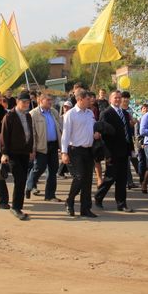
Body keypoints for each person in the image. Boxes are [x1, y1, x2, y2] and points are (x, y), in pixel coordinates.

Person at [61, 87, 98, 218]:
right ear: (80, 99)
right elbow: (65, 135)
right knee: (79, 177)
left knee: (88, 180)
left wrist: (96, 133)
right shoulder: (70, 114)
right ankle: (69, 201)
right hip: (75, 150)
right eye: (88, 99)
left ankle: (85, 208)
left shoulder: (90, 113)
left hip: (88, 150)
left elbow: (91, 128)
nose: (91, 101)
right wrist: (64, 153)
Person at [94, 90, 134, 211]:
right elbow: (103, 135)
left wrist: (131, 148)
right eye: (115, 98)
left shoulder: (125, 114)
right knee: (110, 177)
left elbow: (128, 132)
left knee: (122, 178)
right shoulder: (106, 113)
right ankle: (98, 196)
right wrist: (107, 153)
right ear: (110, 100)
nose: (118, 100)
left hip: (124, 150)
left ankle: (121, 204)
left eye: (119, 98)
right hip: (112, 151)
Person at [0, 90, 34, 220]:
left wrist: (31, 150)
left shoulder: (28, 116)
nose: (26, 104)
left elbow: (30, 134)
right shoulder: (10, 116)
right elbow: (4, 136)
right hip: (12, 153)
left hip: (24, 152)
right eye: (23, 102)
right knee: (19, 179)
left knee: (23, 179)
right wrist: (4, 153)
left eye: (28, 102)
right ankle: (15, 207)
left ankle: (18, 205)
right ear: (17, 102)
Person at [27, 93, 63, 202]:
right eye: (48, 100)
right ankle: (29, 186)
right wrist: (32, 149)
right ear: (40, 101)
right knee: (39, 168)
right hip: (40, 146)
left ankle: (50, 195)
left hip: (53, 145)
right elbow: (31, 133)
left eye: (51, 100)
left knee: (53, 170)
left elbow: (59, 128)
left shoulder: (54, 112)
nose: (50, 102)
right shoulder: (33, 114)